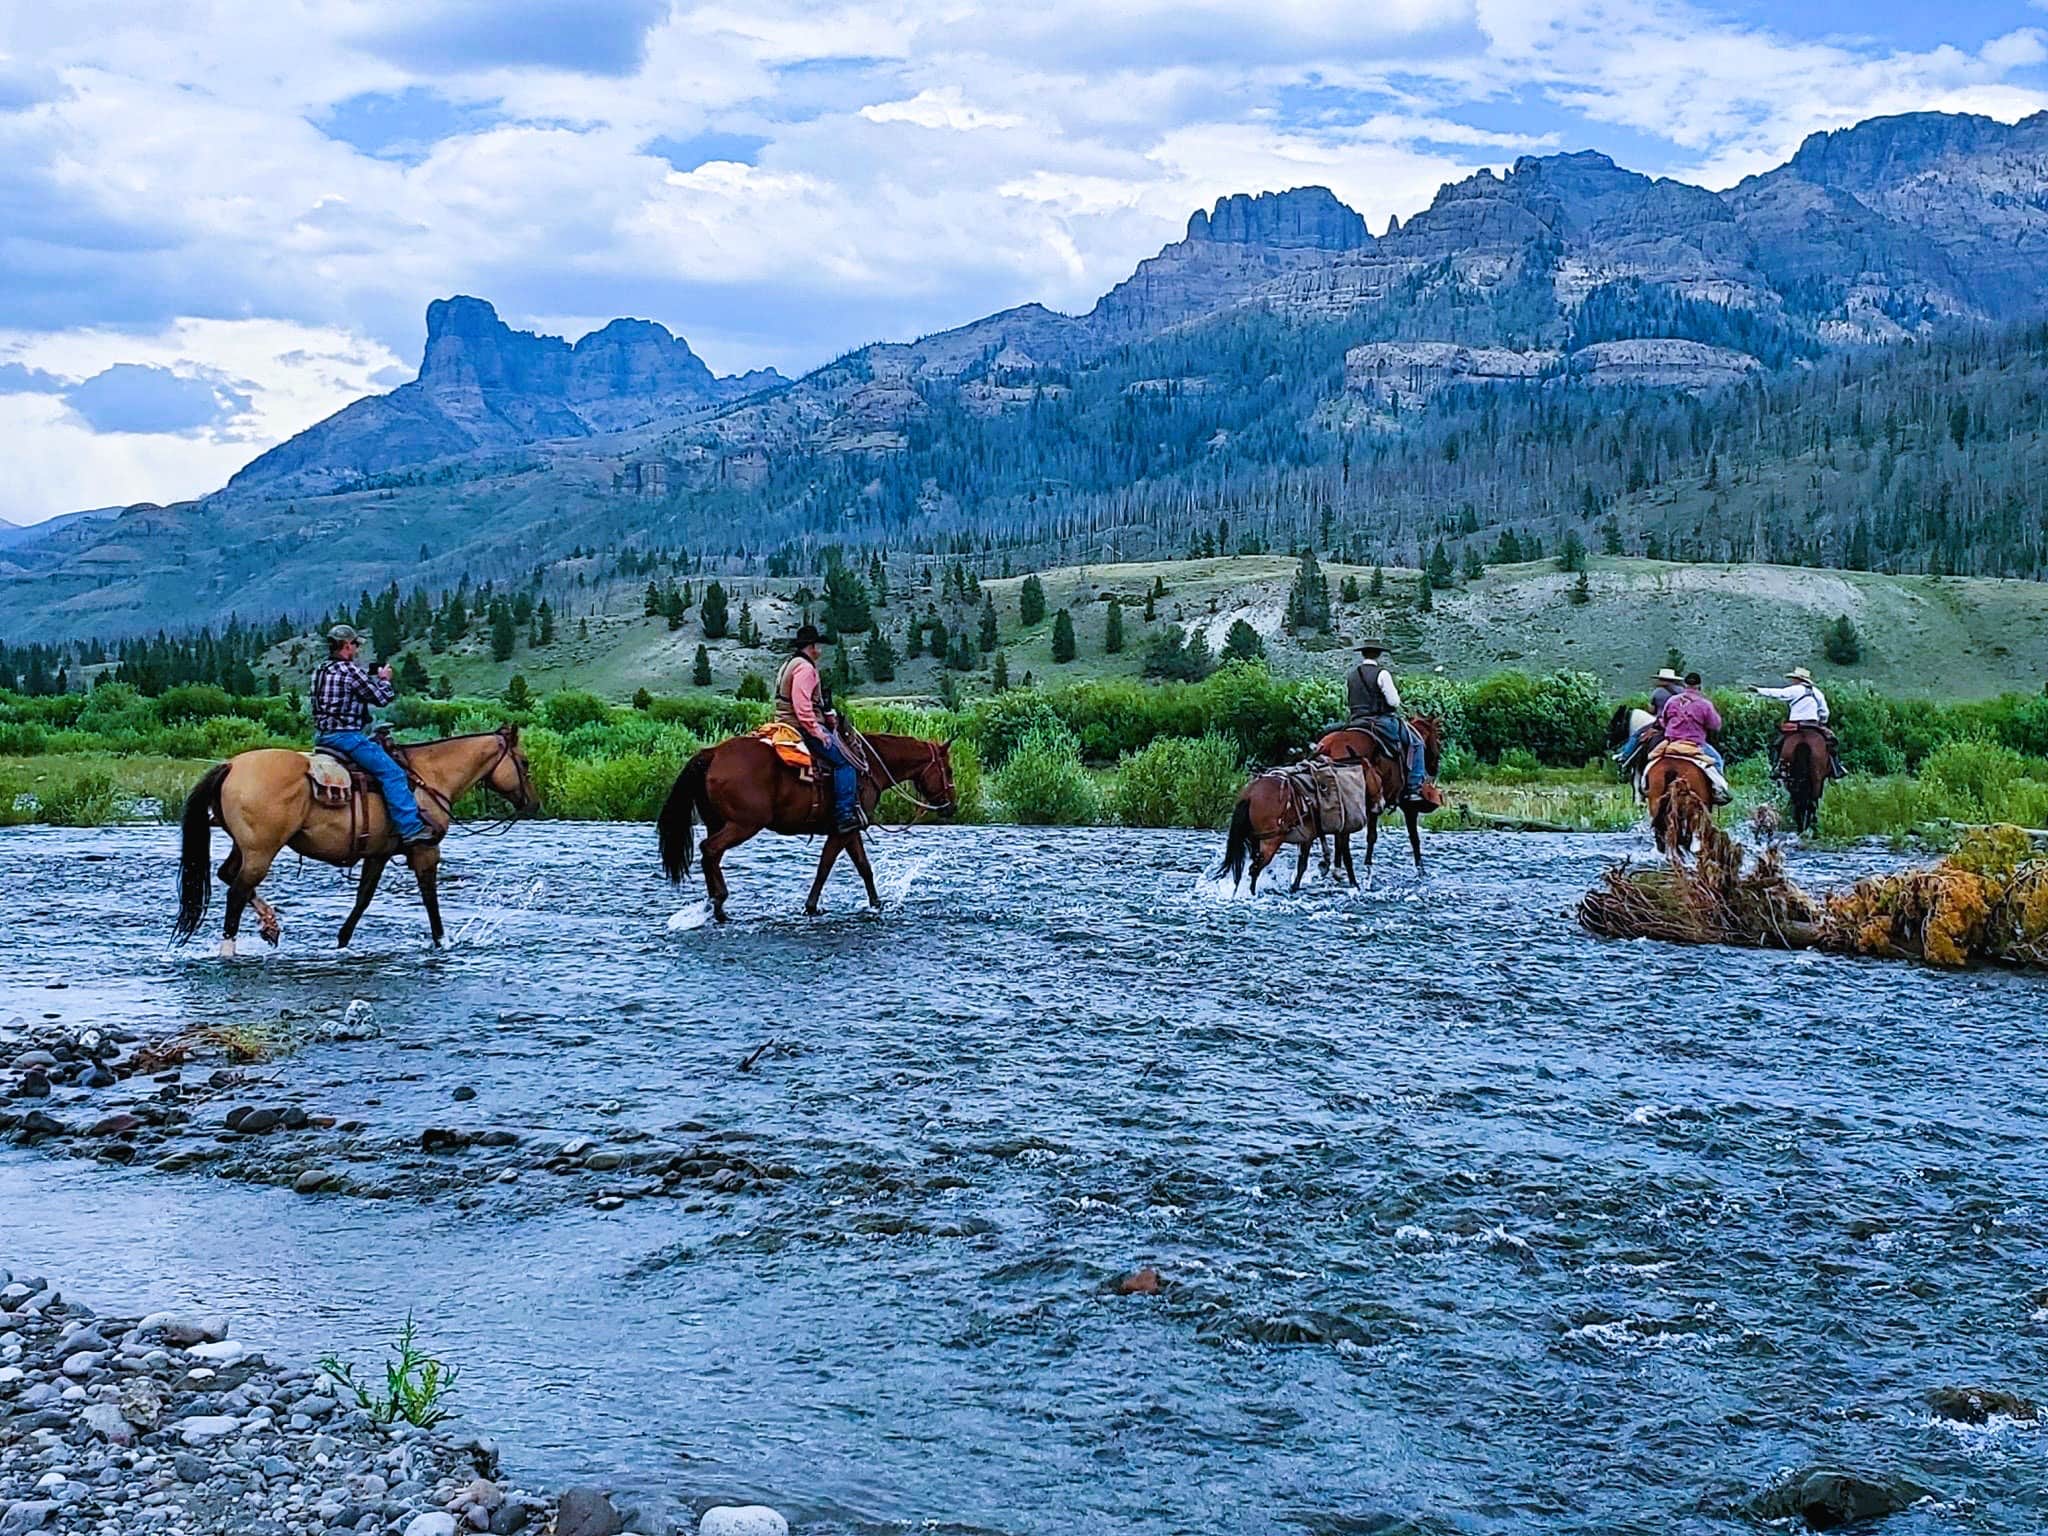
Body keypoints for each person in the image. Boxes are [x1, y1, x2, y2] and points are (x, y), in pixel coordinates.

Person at [310, 624, 434, 845]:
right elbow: (381, 698)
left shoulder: (320, 670)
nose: (357, 649)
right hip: (346, 736)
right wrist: (384, 679)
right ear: (347, 645)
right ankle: (411, 829)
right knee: (392, 773)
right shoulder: (350, 671)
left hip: (322, 736)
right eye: (355, 644)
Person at [775, 624, 863, 833]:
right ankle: (844, 814)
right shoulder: (806, 669)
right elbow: (802, 705)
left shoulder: (790, 663)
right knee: (846, 761)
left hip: (783, 722)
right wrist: (816, 731)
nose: (820, 650)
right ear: (812, 646)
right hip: (800, 727)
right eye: (819, 646)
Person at [1344, 638, 1428, 805]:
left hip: (1355, 722)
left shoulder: (1352, 675)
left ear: (1363, 654)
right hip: (1381, 722)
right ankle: (1413, 788)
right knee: (1417, 743)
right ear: (1379, 655)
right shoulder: (1382, 674)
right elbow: (1394, 702)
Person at [1752, 666, 1844, 779]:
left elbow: (1778, 693)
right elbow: (1824, 712)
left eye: (1794, 678)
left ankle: (1777, 767)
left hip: (1795, 725)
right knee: (1832, 742)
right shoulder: (1817, 693)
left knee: (1777, 744)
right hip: (1813, 725)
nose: (1792, 681)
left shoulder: (1794, 689)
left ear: (1798, 679)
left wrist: (1758, 690)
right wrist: (1822, 722)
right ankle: (1837, 768)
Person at [1615, 667, 1682, 769]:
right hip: (1680, 725)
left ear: (1662, 679)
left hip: (1662, 724)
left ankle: (1624, 756)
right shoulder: (1681, 691)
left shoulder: (1657, 692)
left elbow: (1652, 711)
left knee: (1636, 735)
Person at [1658, 672, 1726, 773]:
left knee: (1650, 757)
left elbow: (1664, 721)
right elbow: (1715, 725)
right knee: (1717, 761)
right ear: (1699, 686)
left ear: (1685, 685)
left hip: (1672, 742)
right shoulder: (1705, 704)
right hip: (1695, 743)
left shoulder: (1672, 700)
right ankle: (1720, 788)